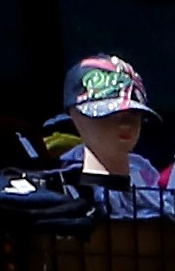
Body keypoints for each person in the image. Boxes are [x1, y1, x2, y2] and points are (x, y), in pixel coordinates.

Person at [48, 56, 162, 188]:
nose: (126, 123)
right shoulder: (61, 198)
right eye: (110, 113)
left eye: (134, 112)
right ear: (75, 115)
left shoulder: (153, 190)